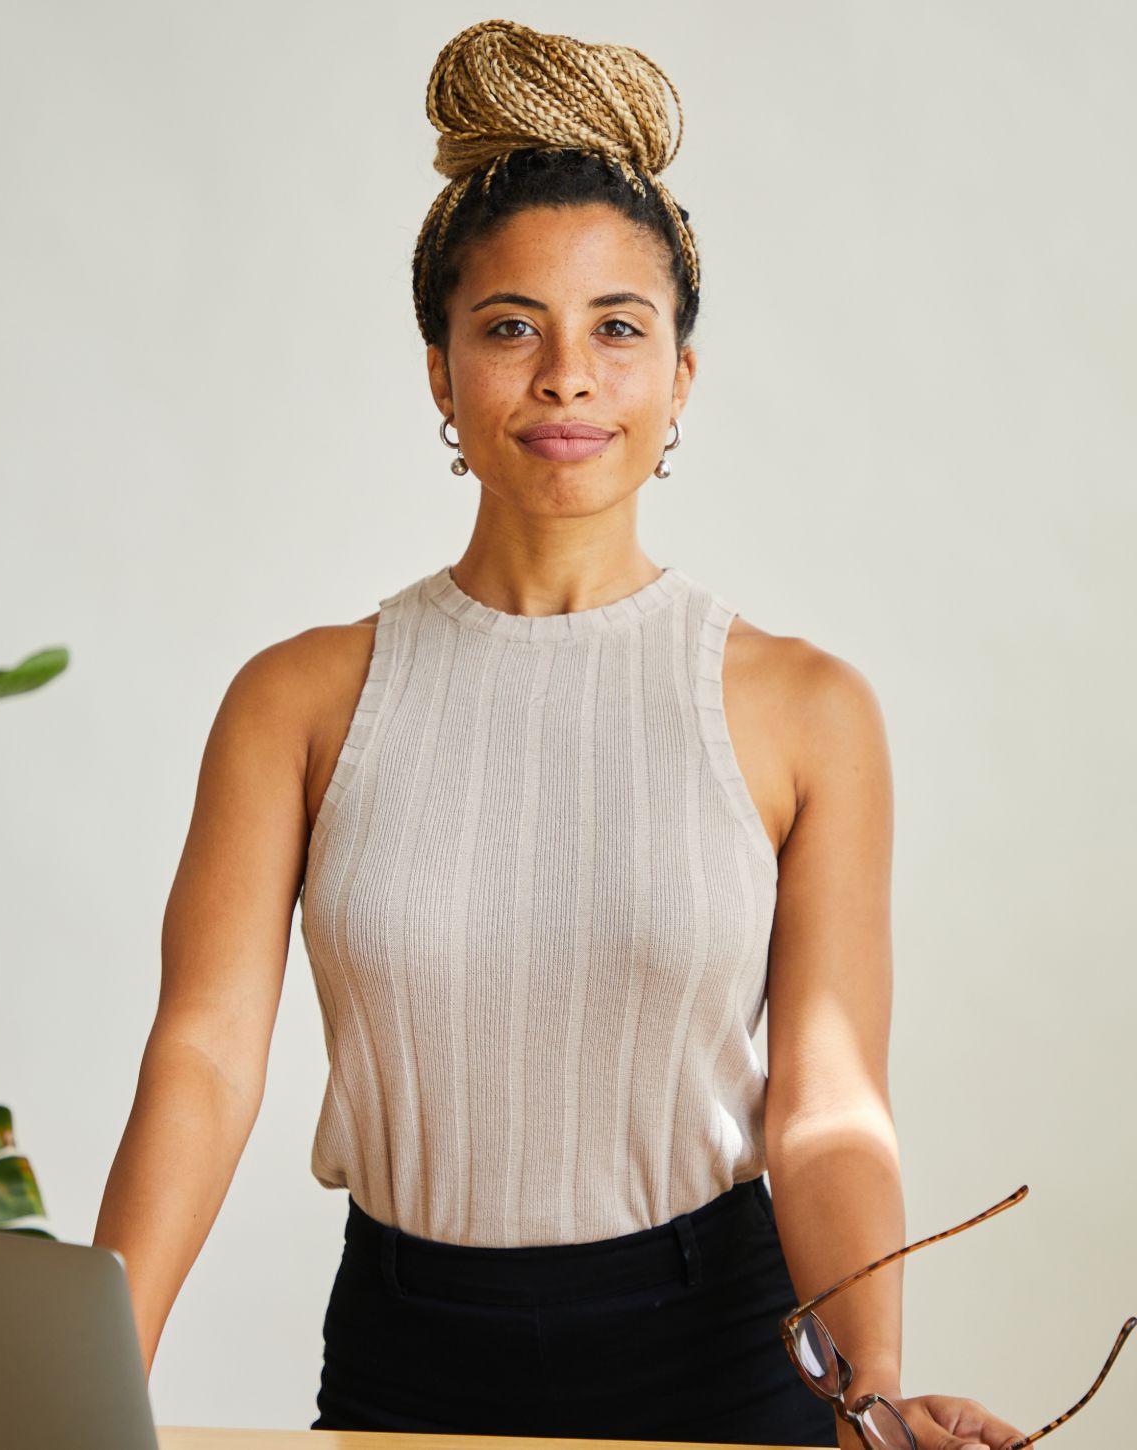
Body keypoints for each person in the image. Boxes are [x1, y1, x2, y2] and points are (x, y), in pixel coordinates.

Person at [94, 19, 1028, 1449]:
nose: (567, 376)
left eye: (618, 328)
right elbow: (207, 1055)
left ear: (682, 378)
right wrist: (95, 1390)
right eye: (510, 324)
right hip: (408, 1349)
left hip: (721, 1350)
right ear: (440, 371)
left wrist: (875, 1385)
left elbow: (827, 1102)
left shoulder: (807, 709)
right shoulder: (297, 699)